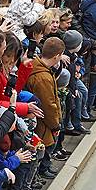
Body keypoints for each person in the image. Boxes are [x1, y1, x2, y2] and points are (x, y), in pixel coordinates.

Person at [26, 36, 66, 179]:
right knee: (41, 151)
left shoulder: (39, 68)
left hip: (42, 120)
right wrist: (55, 124)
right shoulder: (43, 77)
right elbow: (48, 105)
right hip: (43, 123)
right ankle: (37, 176)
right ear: (57, 56)